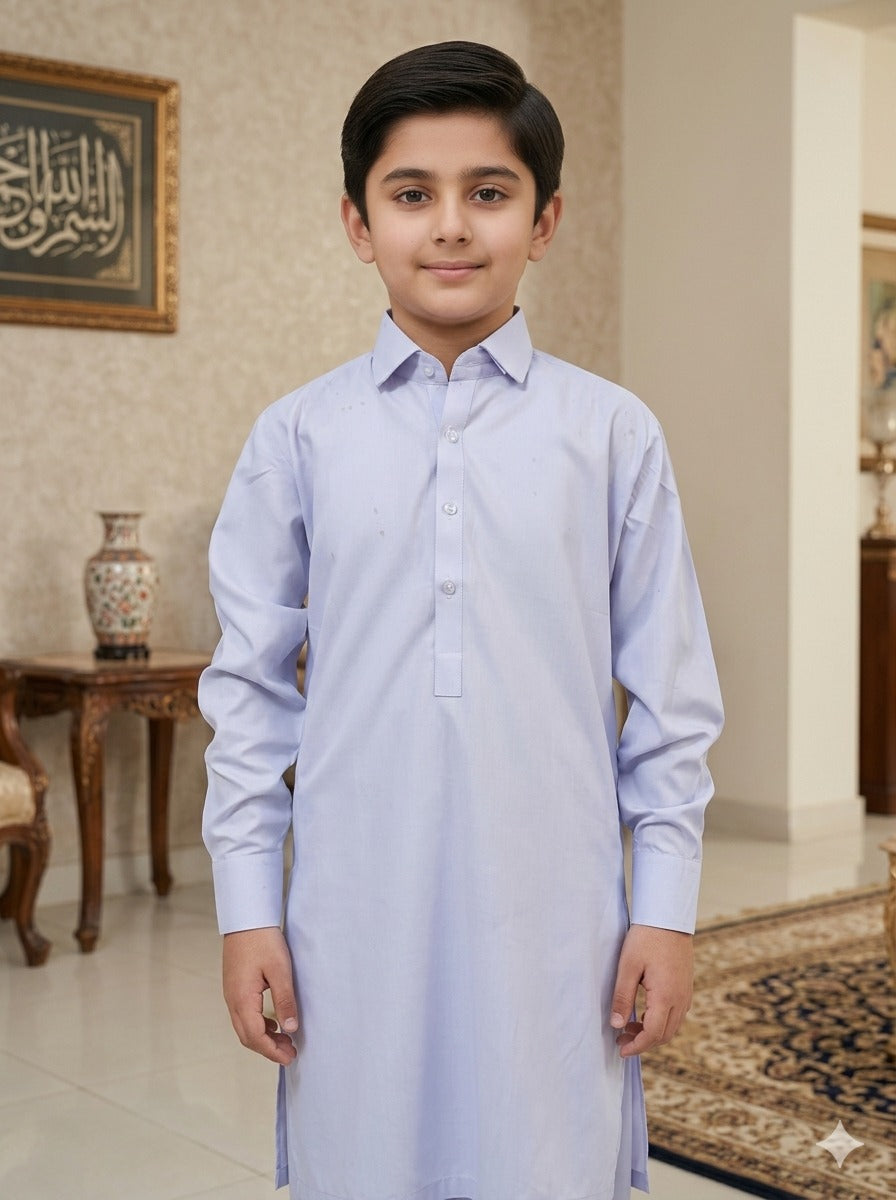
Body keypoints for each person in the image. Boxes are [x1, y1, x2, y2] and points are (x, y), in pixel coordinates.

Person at [199, 40, 724, 1200]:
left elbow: (672, 702)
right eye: (410, 194)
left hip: (559, 913)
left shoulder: (610, 435)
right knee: (360, 1159)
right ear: (356, 223)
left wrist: (665, 913)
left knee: (549, 1158)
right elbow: (247, 697)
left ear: (543, 220)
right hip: (351, 908)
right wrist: (247, 912)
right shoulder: (298, 438)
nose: (449, 227)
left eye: (487, 193)